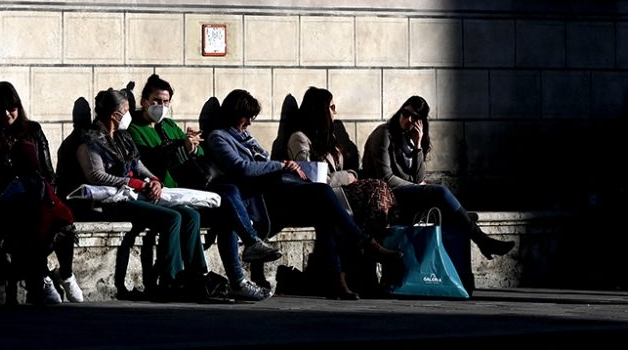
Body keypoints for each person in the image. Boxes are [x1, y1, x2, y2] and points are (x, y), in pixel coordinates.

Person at [206, 89, 403, 300]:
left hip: (273, 194)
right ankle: (365, 244)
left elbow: (261, 163)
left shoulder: (247, 138)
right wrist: (280, 165)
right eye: (247, 117)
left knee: (325, 209)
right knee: (323, 192)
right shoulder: (219, 137)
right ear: (235, 115)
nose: (250, 123)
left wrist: (277, 166)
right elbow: (241, 168)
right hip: (261, 200)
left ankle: (336, 279)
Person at [128, 74, 278, 300]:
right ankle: (242, 254)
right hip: (164, 190)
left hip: (187, 188)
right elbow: (147, 160)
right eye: (156, 101)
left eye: (166, 102)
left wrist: (191, 145)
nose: (161, 106)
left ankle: (236, 268)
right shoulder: (134, 129)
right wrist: (179, 146)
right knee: (214, 208)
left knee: (228, 199)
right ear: (144, 101)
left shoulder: (169, 125)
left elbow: (197, 154)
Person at [74, 87, 221, 302]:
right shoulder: (91, 142)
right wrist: (131, 182)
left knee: (192, 215)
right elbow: (96, 176)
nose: (128, 114)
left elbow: (138, 165)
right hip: (115, 200)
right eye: (125, 110)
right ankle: (170, 280)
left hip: (136, 194)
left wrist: (153, 181)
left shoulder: (123, 138)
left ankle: (196, 275)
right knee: (173, 217)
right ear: (115, 115)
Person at [361, 95, 515, 260]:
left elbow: (418, 176)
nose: (408, 119)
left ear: (421, 122)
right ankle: (483, 241)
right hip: (387, 194)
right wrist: (417, 187)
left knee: (454, 214)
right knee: (441, 193)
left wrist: (418, 145)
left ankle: (459, 273)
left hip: (406, 193)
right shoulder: (384, 133)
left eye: (414, 117)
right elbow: (386, 177)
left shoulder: (411, 139)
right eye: (405, 113)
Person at [0, 81, 82, 305]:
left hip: (39, 197)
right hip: (9, 202)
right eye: (1, 110)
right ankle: (42, 278)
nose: (7, 115)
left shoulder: (32, 130)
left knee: (63, 224)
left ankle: (64, 273)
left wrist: (41, 192)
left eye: (12, 108)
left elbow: (47, 171)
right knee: (26, 225)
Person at [281, 87, 395, 237]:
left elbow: (345, 168)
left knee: (380, 189)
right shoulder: (299, 138)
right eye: (332, 107)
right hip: (323, 195)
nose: (335, 112)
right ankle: (373, 244)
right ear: (321, 109)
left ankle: (379, 240)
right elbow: (310, 178)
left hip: (340, 191)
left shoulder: (329, 138)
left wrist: (351, 174)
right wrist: (345, 177)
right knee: (375, 189)